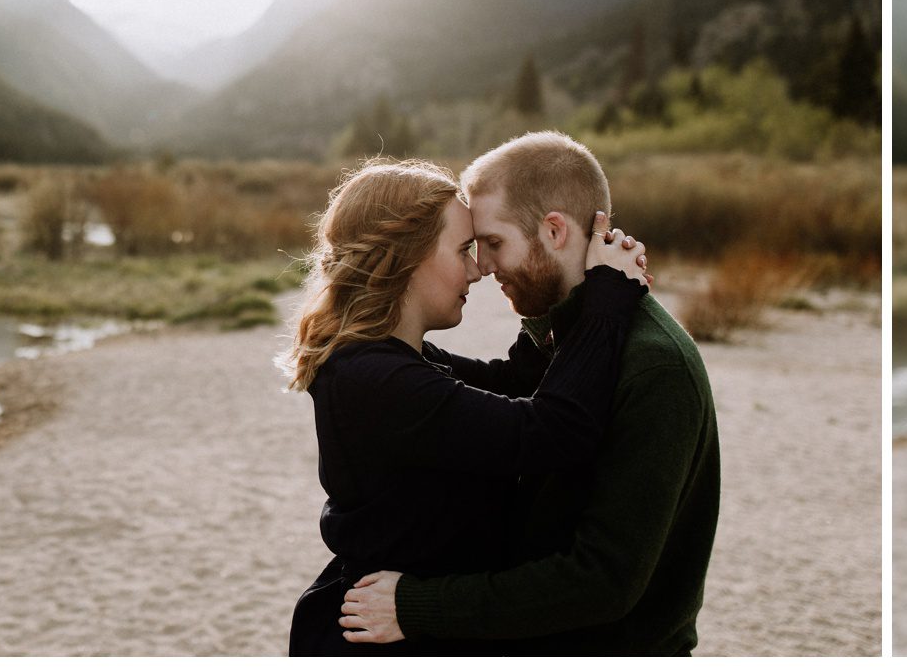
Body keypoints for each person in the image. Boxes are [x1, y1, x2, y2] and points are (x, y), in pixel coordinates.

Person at [336, 131, 719, 654]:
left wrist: (421, 606)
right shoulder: (576, 343)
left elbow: (603, 581)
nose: (484, 267)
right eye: (473, 248)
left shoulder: (653, 365)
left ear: (554, 230)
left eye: (493, 243)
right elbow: (506, 390)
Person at [280, 158, 651, 655]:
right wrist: (607, 305)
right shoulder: (375, 380)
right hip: (384, 637)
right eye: (462, 250)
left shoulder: (392, 361)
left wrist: (562, 284)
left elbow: (514, 382)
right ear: (406, 258)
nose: (479, 268)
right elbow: (552, 433)